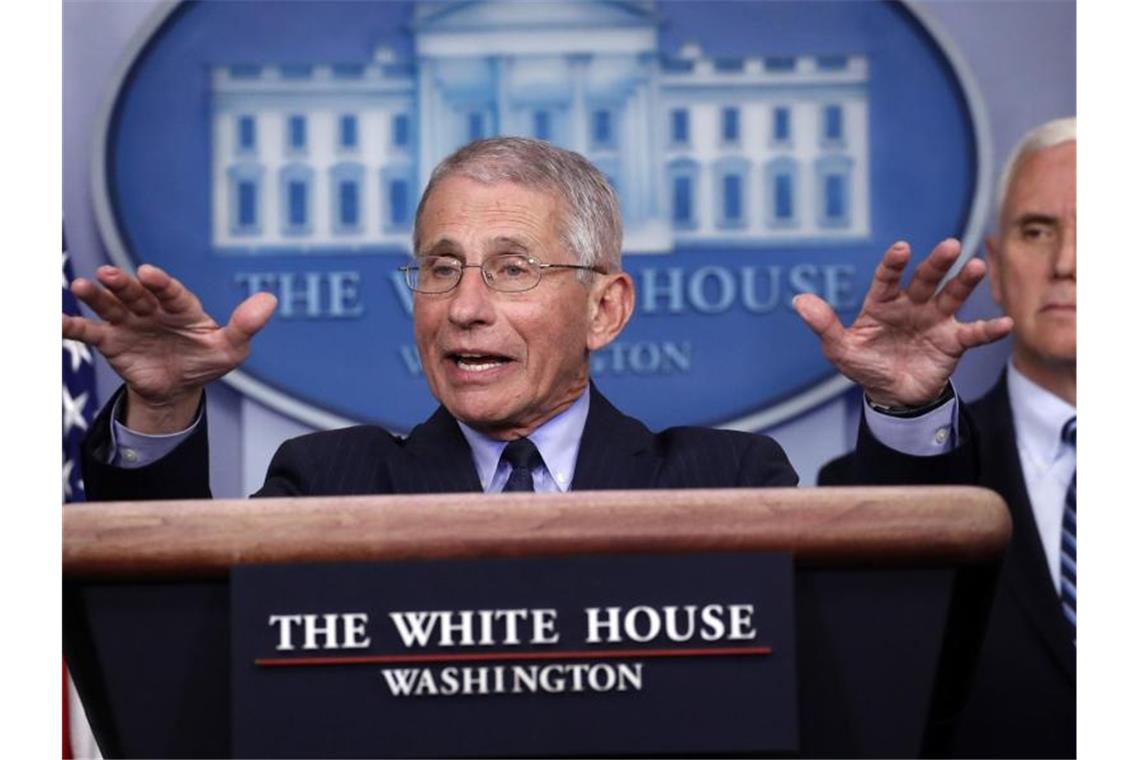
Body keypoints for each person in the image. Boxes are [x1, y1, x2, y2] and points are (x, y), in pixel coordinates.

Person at [64, 136, 1009, 502]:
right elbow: (181, 649)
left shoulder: (724, 484)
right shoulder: (328, 485)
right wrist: (158, 410)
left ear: (606, 306)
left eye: (513, 270)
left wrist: (907, 414)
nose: (465, 309)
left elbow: (891, 634)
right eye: (441, 270)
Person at [818, 117, 1076, 758]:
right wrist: (908, 410)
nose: (1066, 264)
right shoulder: (895, 479)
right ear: (998, 261)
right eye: (1036, 231)